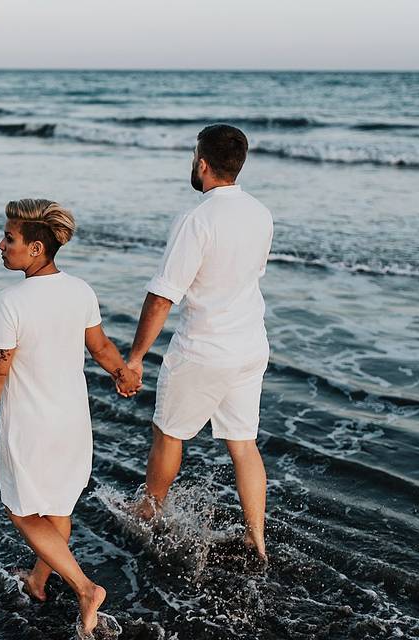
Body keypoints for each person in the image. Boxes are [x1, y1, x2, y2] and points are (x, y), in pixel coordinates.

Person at [0, 198, 141, 634]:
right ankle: (40, 580)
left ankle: (84, 588)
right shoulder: (80, 290)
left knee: (22, 512)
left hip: (32, 424)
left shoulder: (10, 301)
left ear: (36, 249)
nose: (1, 245)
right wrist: (124, 373)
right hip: (74, 422)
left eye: (9, 238)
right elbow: (99, 347)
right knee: (57, 507)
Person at [126, 124, 274, 563]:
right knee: (244, 444)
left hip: (203, 350)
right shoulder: (260, 213)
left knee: (168, 434)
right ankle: (256, 537)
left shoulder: (196, 219)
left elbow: (162, 295)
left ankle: (149, 512)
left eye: (195, 157)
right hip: (250, 346)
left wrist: (135, 358)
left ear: (203, 164)